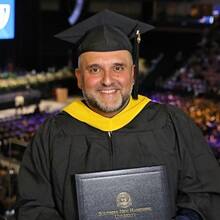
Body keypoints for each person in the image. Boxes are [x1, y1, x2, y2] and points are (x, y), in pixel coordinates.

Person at [16, 10, 220, 220]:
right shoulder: (52, 135)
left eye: (118, 68)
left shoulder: (171, 124)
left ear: (133, 74)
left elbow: (204, 192)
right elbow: (34, 207)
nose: (107, 80)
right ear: (79, 77)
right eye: (95, 69)